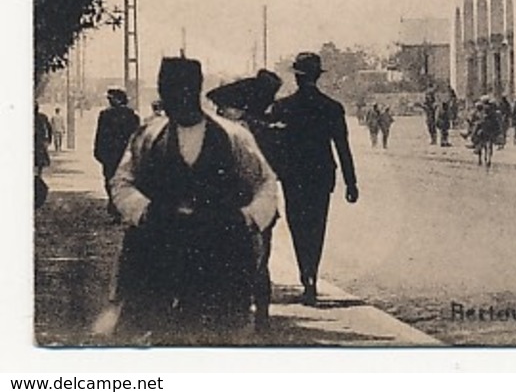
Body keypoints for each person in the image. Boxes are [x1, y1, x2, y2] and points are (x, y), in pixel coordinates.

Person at [108, 57, 279, 343]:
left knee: (214, 337)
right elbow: (122, 181)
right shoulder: (148, 137)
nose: (177, 96)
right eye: (170, 89)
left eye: (185, 89)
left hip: (218, 255)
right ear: (162, 91)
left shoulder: (233, 136)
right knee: (157, 336)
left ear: (197, 88)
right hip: (158, 252)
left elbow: (265, 183)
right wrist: (143, 211)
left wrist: (248, 218)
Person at [266, 52, 358, 305]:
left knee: (298, 226)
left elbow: (271, 144)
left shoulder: (282, 107)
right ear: (318, 76)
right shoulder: (332, 108)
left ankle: (305, 275)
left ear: (296, 77)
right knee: (317, 227)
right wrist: (351, 182)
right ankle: (311, 277)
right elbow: (342, 148)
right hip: (321, 176)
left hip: (292, 176)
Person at [205, 68, 284, 330]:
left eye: (222, 107)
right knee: (260, 261)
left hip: (231, 206)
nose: (218, 112)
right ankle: (261, 318)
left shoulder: (224, 134)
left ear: (238, 108)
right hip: (261, 206)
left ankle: (234, 315)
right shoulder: (267, 130)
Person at [93, 89, 142, 218]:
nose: (109, 101)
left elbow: (100, 135)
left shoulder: (106, 115)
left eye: (111, 99)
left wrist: (98, 151)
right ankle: (117, 207)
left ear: (119, 99)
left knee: (110, 180)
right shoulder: (132, 115)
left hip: (112, 154)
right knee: (123, 180)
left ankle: (115, 206)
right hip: (122, 154)